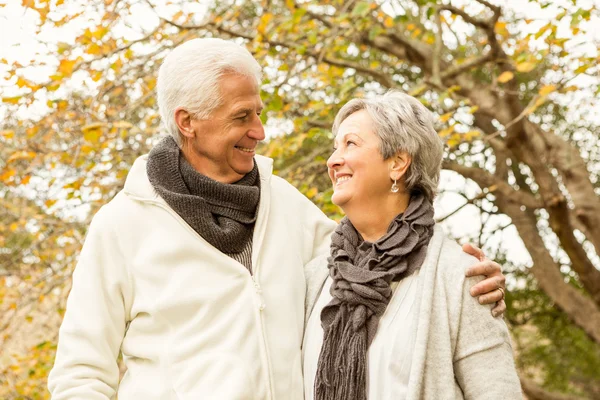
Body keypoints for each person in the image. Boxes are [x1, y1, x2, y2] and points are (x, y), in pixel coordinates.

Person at [48, 38, 508, 399]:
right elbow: (80, 374)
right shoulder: (122, 227)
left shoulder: (286, 206)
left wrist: (474, 279)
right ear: (188, 122)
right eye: (241, 117)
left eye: (259, 113)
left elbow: (382, 256)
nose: (259, 131)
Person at [302, 91, 522, 400]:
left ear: (398, 162)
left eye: (350, 144)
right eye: (335, 147)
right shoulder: (315, 276)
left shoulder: (459, 277)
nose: (332, 160)